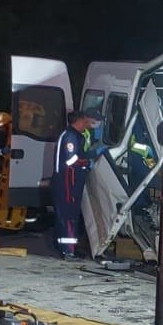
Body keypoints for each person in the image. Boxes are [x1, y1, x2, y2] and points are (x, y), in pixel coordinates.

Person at [53, 110, 99, 259]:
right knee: (68, 215)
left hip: (71, 181)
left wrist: (90, 155)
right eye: (86, 121)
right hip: (68, 182)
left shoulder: (74, 135)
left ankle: (69, 248)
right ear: (79, 121)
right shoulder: (70, 137)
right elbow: (71, 160)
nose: (88, 124)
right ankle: (68, 250)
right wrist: (88, 162)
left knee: (71, 215)